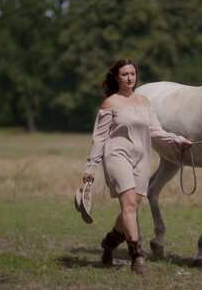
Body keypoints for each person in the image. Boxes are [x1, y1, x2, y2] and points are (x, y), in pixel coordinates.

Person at [82, 59, 192, 275]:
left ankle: (110, 243)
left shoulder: (143, 101)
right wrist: (90, 167)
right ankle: (137, 256)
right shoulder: (110, 103)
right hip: (117, 155)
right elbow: (99, 138)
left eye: (132, 73)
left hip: (142, 157)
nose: (130, 78)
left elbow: (155, 130)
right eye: (125, 74)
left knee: (131, 207)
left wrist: (176, 139)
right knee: (130, 205)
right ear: (116, 77)